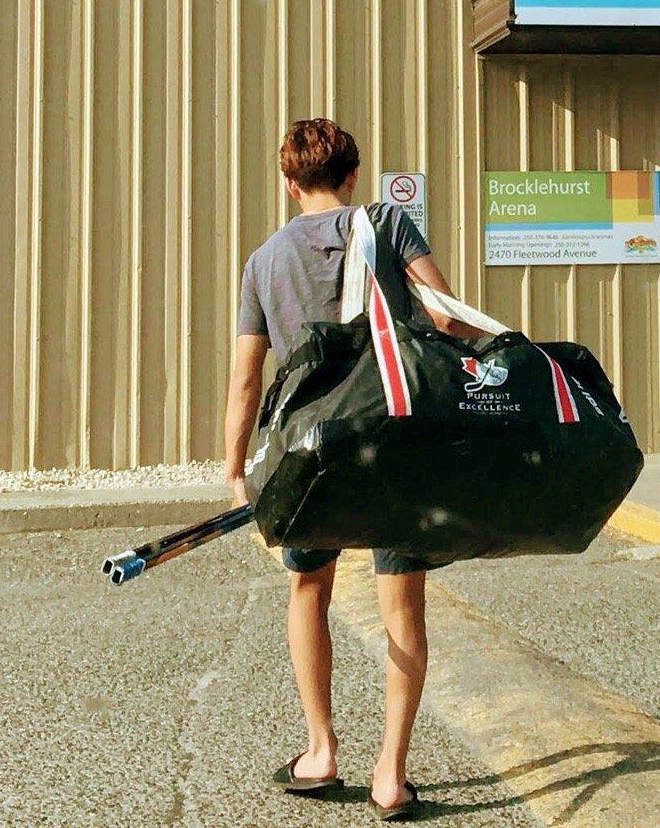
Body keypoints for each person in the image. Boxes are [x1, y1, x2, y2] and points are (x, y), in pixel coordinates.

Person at [224, 118, 475, 817]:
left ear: (288, 181)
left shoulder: (262, 261)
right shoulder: (388, 223)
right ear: (354, 176)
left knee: (309, 588)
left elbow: (246, 378)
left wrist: (235, 465)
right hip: (395, 439)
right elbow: (447, 316)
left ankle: (320, 749)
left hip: (309, 452)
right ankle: (390, 776)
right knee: (402, 602)